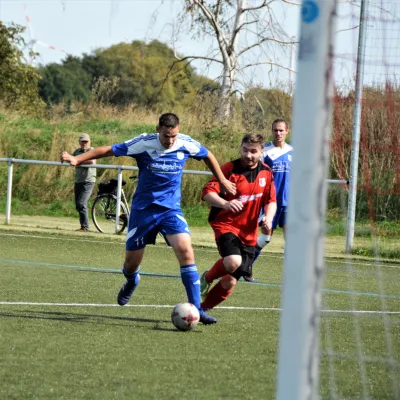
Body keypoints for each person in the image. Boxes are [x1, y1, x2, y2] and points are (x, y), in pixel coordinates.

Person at [60, 113, 236, 325]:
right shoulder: (144, 143)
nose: (170, 140)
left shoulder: (185, 144)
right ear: (157, 130)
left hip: (170, 210)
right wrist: (77, 159)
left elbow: (208, 155)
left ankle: (197, 308)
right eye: (166, 136)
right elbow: (109, 149)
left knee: (186, 252)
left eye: (173, 136)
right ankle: (132, 280)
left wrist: (222, 180)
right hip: (143, 211)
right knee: (131, 263)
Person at [199, 133, 277, 310]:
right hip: (226, 225)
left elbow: (271, 200)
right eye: (245, 150)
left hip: (249, 234)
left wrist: (268, 218)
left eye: (253, 151)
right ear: (240, 148)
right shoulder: (229, 169)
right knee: (233, 261)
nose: (248, 155)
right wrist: (225, 203)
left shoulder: (266, 172)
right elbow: (207, 193)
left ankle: (201, 310)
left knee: (229, 282)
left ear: (261, 151)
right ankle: (207, 278)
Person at [244, 118, 293, 282]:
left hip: (289, 204)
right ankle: (246, 266)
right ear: (271, 131)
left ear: (287, 131)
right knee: (265, 238)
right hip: (270, 203)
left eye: (281, 130)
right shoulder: (265, 152)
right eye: (275, 130)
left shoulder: (294, 152)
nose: (278, 133)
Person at [72, 133, 97, 232]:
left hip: (88, 181)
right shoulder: (77, 151)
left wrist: (79, 161)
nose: (84, 143)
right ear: (79, 142)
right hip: (78, 180)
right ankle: (83, 226)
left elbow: (92, 162)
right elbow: (72, 160)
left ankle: (85, 227)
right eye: (82, 141)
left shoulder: (91, 150)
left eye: (86, 142)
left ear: (89, 142)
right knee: (78, 205)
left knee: (81, 203)